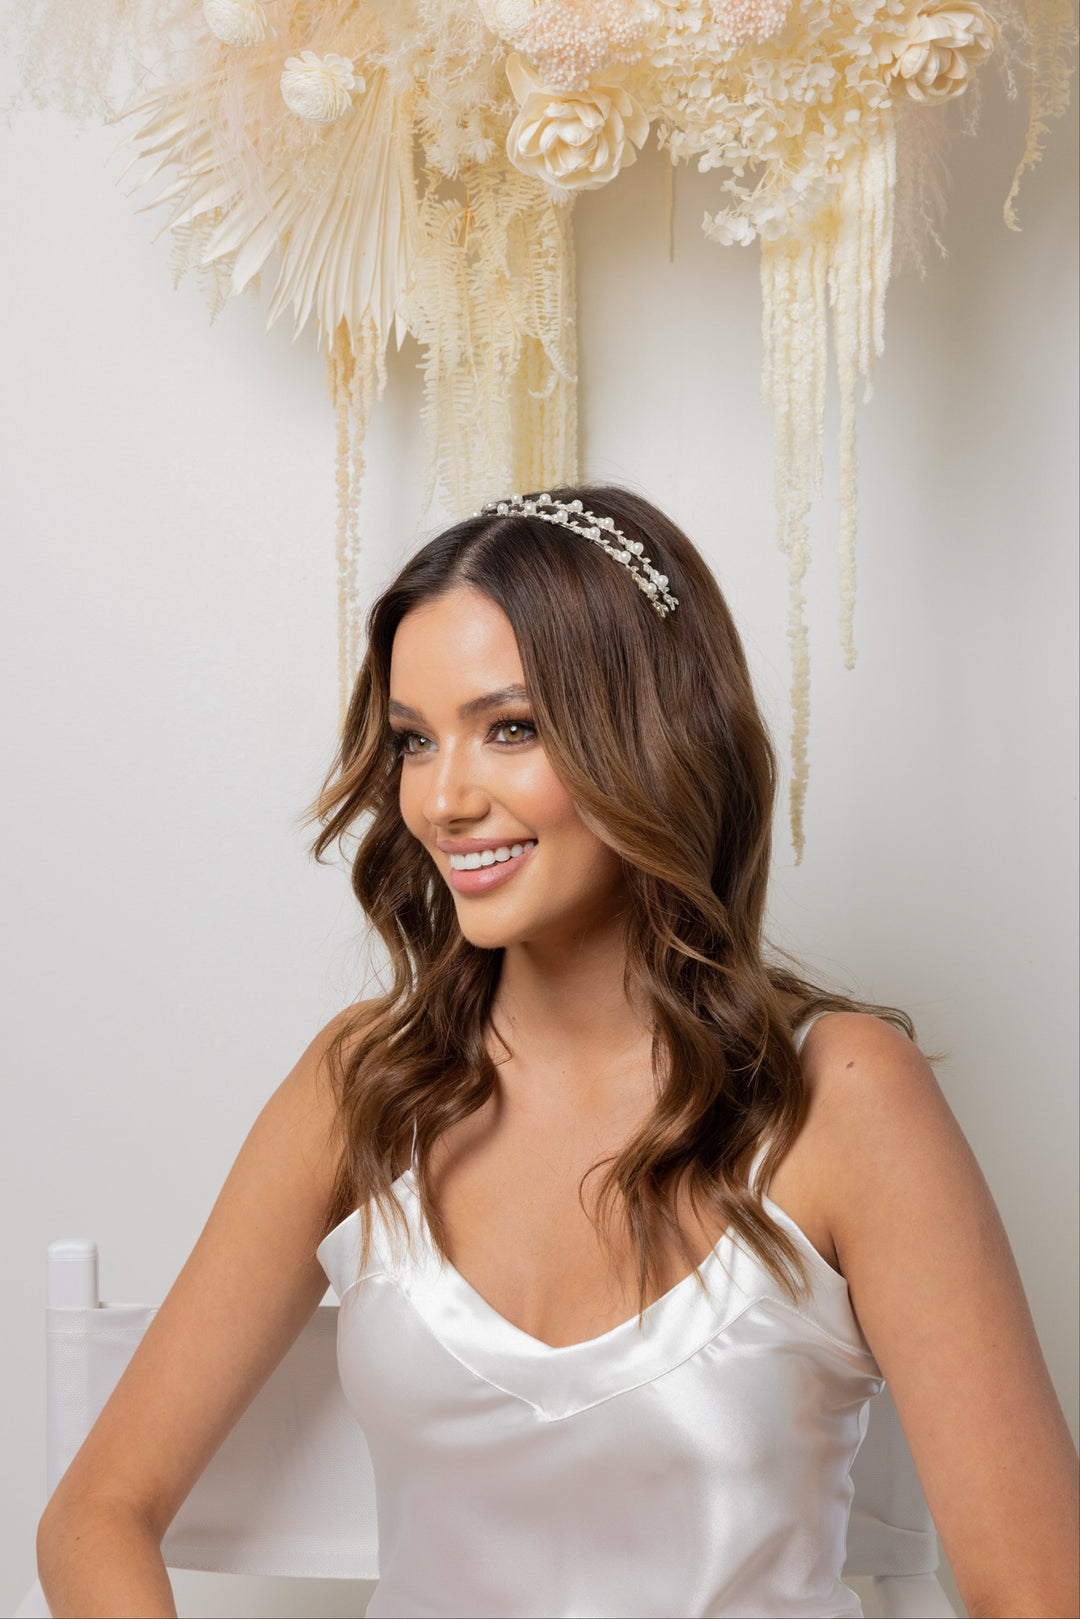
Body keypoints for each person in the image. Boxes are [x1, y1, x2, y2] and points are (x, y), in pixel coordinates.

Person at [36, 485, 1078, 1618]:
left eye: (511, 728)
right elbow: (95, 1514)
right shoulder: (365, 1086)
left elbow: (1037, 1590)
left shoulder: (844, 1095)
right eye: (413, 740)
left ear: (653, 734)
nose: (443, 797)